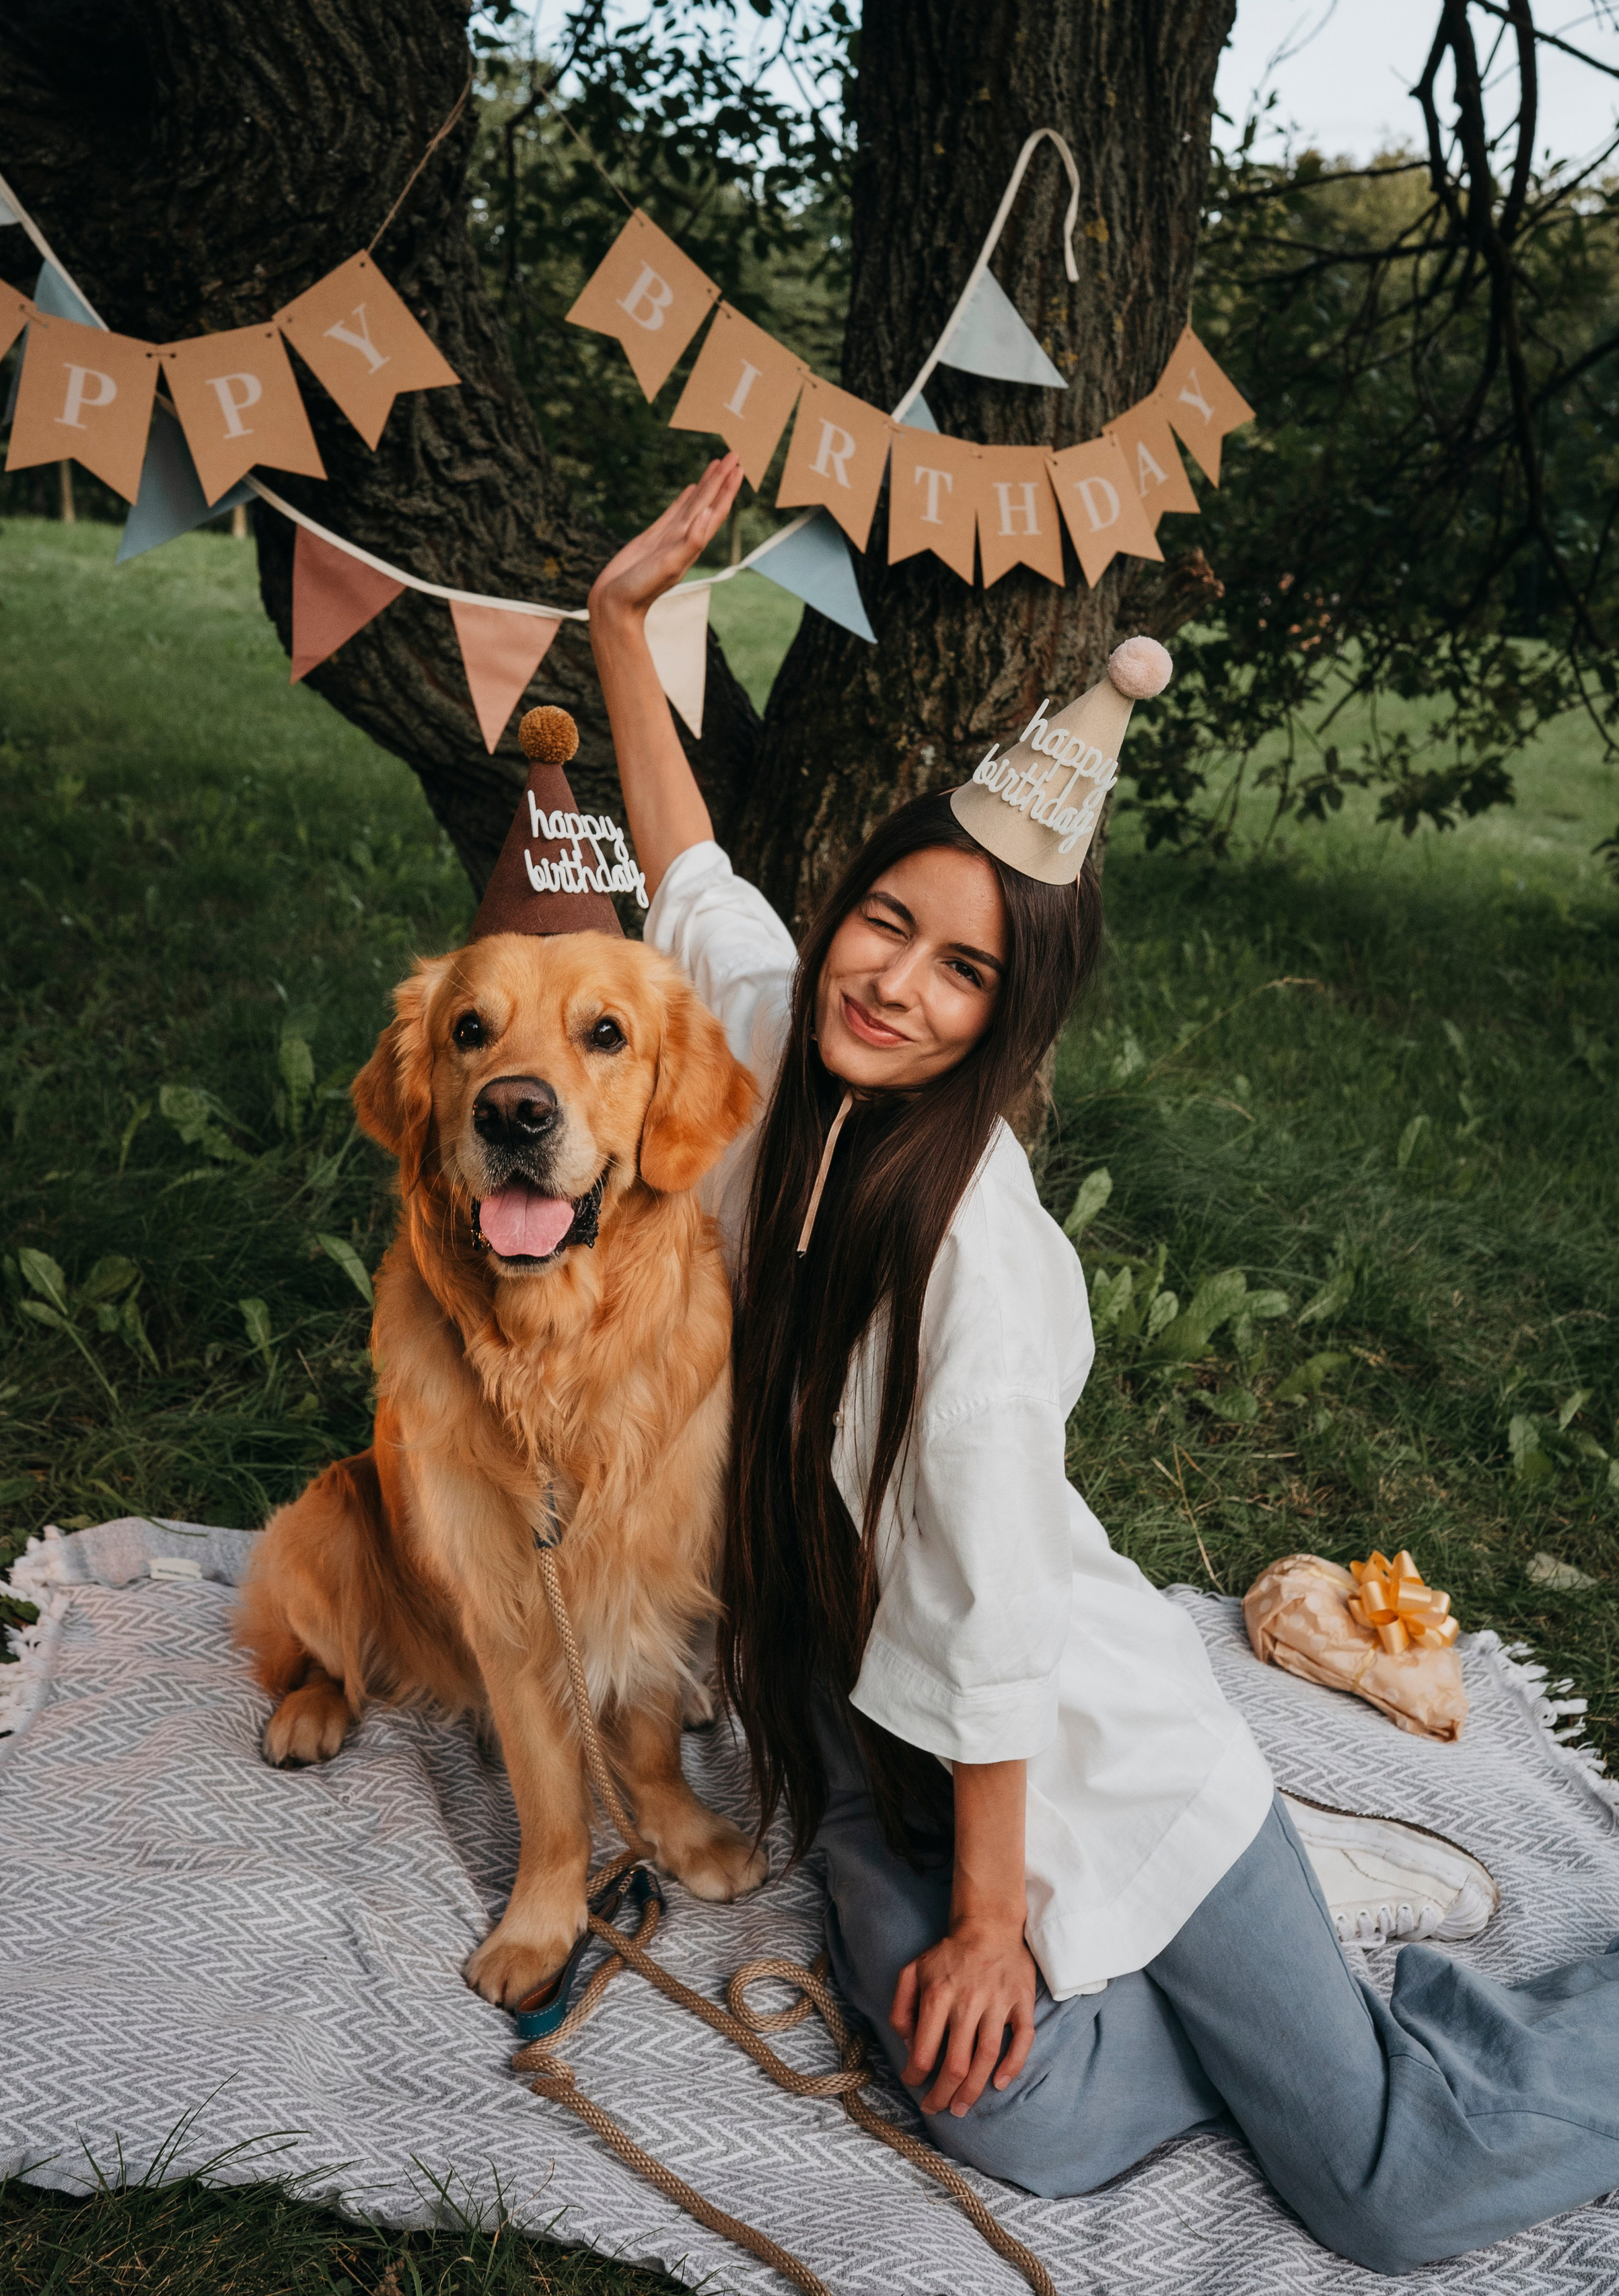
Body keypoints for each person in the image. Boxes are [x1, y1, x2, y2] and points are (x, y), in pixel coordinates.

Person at [586, 456, 1619, 2276]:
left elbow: (992, 1625)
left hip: (1059, 1739)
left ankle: (1308, 1953)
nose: (896, 984)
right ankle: (1276, 1969)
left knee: (1389, 2183)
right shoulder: (758, 1043)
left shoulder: (976, 1257)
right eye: (886, 922)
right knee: (1006, 2111)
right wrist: (617, 624)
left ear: (1011, 1019)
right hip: (861, 1717)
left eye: (963, 973)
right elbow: (688, 879)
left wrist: (996, 1927)